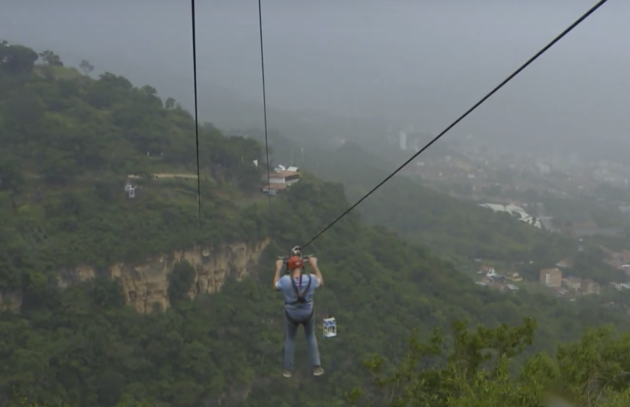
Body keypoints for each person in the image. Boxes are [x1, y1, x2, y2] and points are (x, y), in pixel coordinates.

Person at [274, 255, 324, 378]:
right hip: (307, 314)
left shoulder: (285, 281)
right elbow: (320, 281)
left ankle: (288, 369)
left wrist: (278, 268)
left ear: (289, 268)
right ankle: (316, 366)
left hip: (292, 315)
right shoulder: (311, 279)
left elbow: (275, 285)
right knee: (310, 336)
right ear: (302, 266)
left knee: (290, 339)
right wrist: (314, 265)